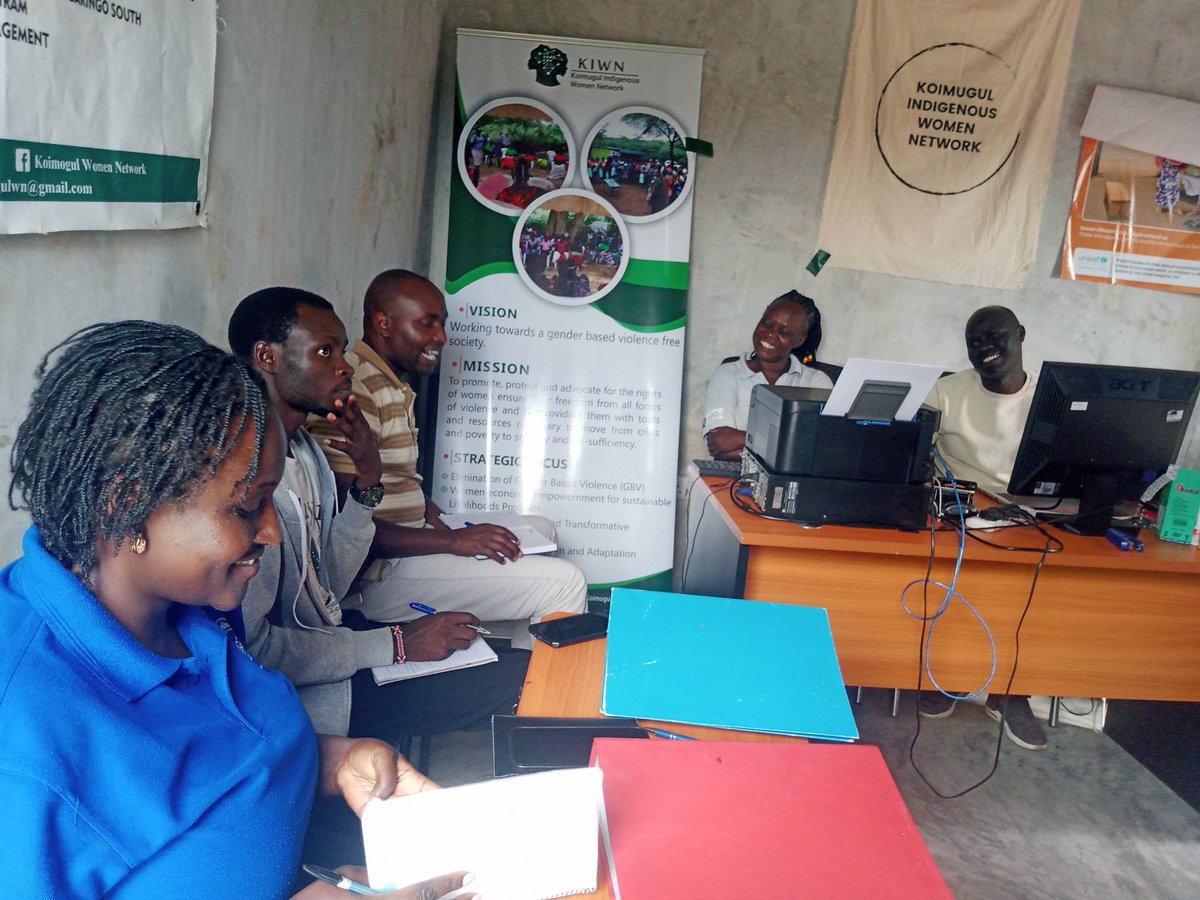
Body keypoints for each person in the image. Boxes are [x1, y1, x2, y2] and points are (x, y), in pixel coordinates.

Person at [0, 320, 474, 898]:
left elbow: (213, 763)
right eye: (247, 508)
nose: (271, 531)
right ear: (126, 502)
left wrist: (331, 764)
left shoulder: (185, 614)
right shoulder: (23, 741)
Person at [227, 287, 529, 746]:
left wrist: (368, 482)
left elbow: (331, 581)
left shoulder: (306, 454)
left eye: (342, 351)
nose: (344, 366)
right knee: (518, 680)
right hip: (306, 695)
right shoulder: (245, 479)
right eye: (324, 352)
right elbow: (257, 651)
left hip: (336, 645)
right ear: (267, 357)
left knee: (495, 653)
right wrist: (398, 644)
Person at [307, 270, 587, 646]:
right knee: (565, 582)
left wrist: (441, 520)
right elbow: (349, 525)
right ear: (383, 323)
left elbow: (400, 484)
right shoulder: (356, 389)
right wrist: (455, 542)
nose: (441, 337)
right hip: (376, 577)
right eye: (428, 324)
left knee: (541, 530)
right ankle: (544, 700)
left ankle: (522, 669)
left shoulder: (389, 382)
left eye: (442, 324)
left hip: (410, 544)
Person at [921, 305, 1046, 751]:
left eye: (995, 336)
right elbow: (913, 449)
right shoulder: (946, 391)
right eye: (975, 341)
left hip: (1034, 516)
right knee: (952, 582)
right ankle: (946, 677)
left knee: (1040, 590)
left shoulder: (1051, 398)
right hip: (960, 512)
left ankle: (1012, 691)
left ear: (1021, 333)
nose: (985, 348)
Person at [703, 290, 833, 461]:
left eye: (784, 332)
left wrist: (742, 440)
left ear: (799, 341)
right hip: (731, 483)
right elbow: (719, 443)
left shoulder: (816, 382)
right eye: (767, 323)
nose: (770, 334)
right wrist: (789, 445)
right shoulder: (728, 374)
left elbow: (819, 449)